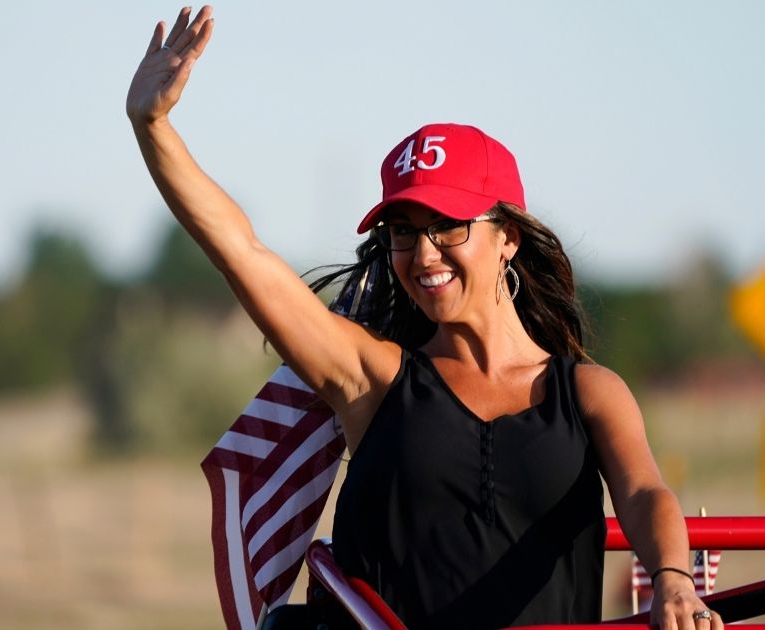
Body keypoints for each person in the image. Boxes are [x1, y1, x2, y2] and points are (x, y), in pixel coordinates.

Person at [127, 6, 723, 630]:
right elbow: (243, 253)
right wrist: (153, 127)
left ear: (508, 238)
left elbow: (644, 491)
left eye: (449, 225)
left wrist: (673, 582)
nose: (425, 253)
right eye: (404, 232)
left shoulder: (590, 392)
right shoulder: (374, 380)